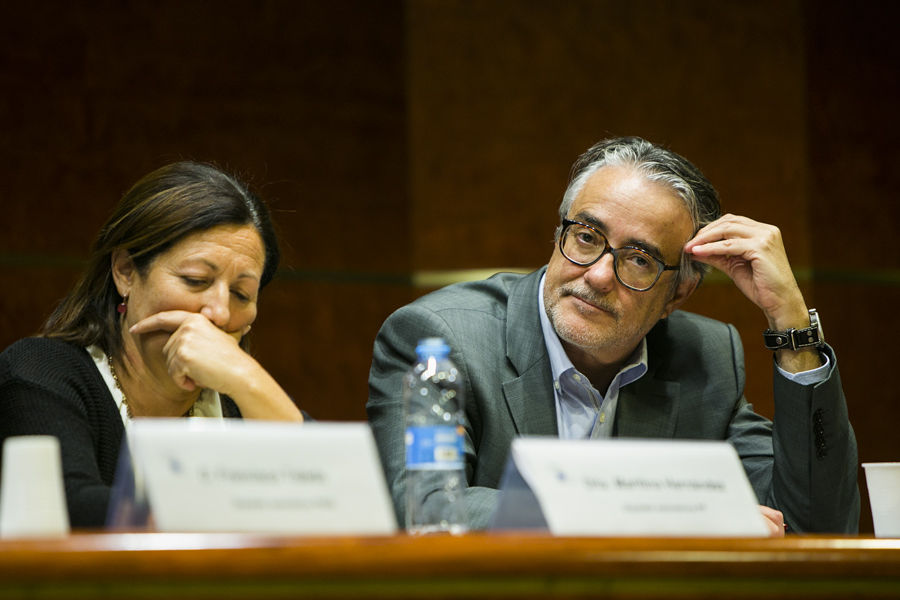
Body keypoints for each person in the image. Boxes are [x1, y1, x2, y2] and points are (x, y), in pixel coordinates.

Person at [367, 136, 859, 535]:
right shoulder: (441, 338)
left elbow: (815, 526)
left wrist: (792, 324)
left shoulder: (705, 359)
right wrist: (663, 518)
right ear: (558, 234)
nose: (599, 275)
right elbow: (429, 510)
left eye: (640, 259)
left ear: (678, 294)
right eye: (586, 236)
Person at [0, 161, 304, 528]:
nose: (220, 312)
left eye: (241, 293)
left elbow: (331, 504)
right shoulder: (41, 372)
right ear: (126, 271)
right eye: (195, 280)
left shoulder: (244, 403)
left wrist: (245, 376)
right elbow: (70, 509)